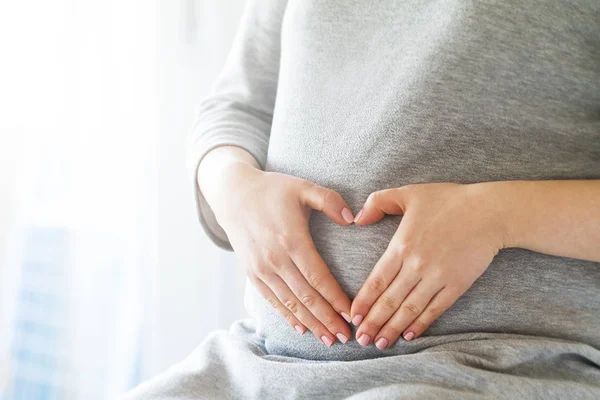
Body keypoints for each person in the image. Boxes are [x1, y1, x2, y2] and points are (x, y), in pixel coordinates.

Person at [124, 0, 600, 398]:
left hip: (503, 369)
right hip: (261, 360)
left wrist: (498, 216)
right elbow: (240, 105)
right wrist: (233, 187)